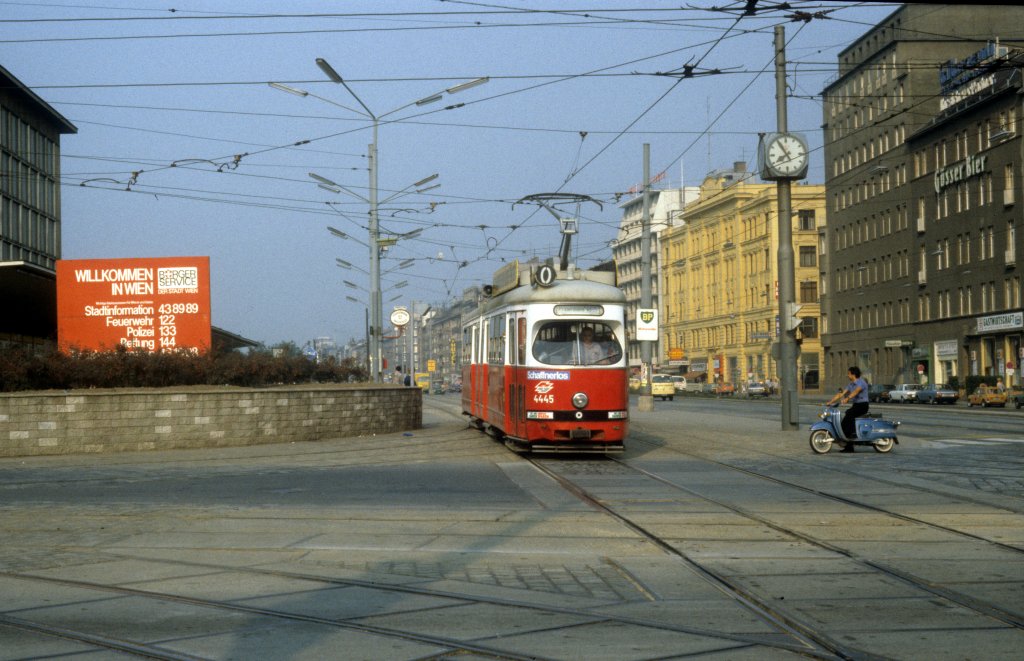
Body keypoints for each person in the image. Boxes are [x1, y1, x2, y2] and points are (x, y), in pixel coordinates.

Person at [826, 366, 869, 453]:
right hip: (856, 405)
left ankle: (851, 439)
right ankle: (847, 443)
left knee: (849, 414)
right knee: (845, 420)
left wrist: (847, 399)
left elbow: (855, 392)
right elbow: (841, 394)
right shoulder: (850, 385)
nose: (847, 375)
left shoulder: (861, 383)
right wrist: (830, 402)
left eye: (849, 374)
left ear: (853, 374)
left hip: (863, 406)